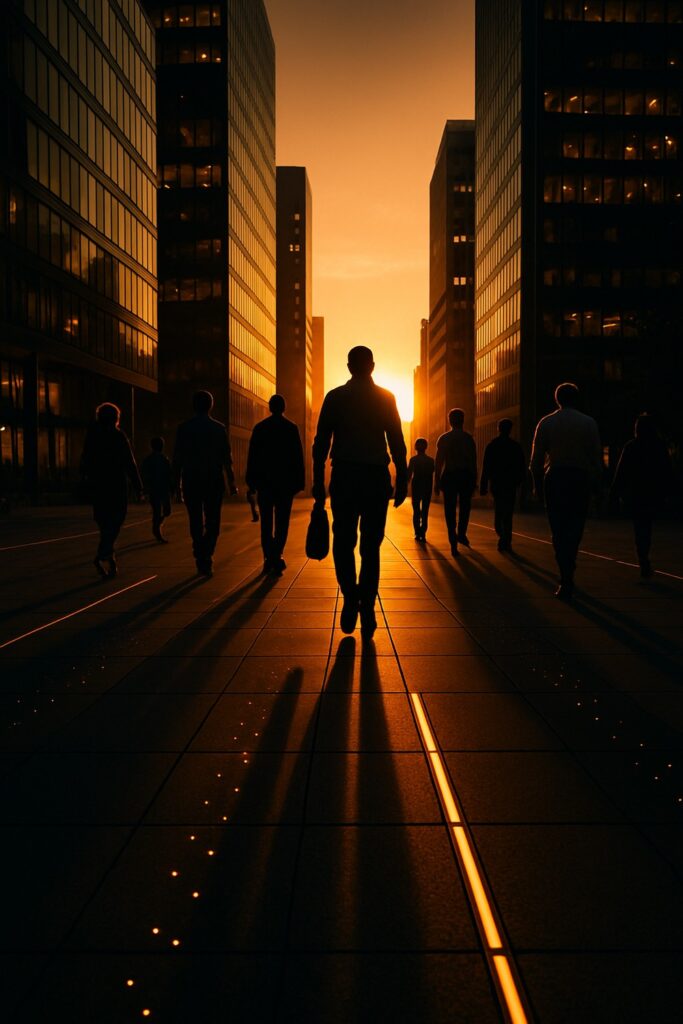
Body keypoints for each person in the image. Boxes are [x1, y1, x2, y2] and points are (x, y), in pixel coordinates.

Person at [312, 345, 407, 638]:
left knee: (343, 541)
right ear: (373, 366)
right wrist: (403, 478)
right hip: (375, 477)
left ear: (349, 366)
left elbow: (321, 442)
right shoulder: (385, 398)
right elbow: (397, 440)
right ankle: (367, 605)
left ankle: (351, 596)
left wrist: (317, 480)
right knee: (370, 546)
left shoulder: (335, 397)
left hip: (345, 475)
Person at [530, 382, 603, 600]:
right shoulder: (588, 423)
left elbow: (536, 461)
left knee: (558, 528)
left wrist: (536, 486)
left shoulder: (546, 422)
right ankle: (570, 562)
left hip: (556, 477)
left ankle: (565, 573)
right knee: (576, 525)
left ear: (557, 399)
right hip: (579, 478)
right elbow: (596, 457)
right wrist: (598, 485)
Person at [172, 390, 237, 577]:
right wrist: (231, 482)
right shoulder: (219, 429)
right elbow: (227, 459)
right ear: (210, 406)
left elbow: (177, 459)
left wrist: (176, 485)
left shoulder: (184, 429)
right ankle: (206, 553)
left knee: (195, 520)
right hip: (213, 480)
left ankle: (199, 550)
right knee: (213, 521)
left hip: (191, 480)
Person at [80, 402, 142, 578]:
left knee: (104, 522)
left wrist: (85, 479)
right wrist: (138, 486)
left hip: (98, 485)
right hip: (116, 484)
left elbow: (85, 460)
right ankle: (104, 553)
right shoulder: (118, 436)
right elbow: (130, 462)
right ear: (116, 418)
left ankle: (109, 556)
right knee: (116, 520)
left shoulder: (92, 436)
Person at [246, 394, 305, 575]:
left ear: (270, 407)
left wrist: (251, 481)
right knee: (282, 522)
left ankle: (268, 557)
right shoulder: (291, 428)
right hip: (285, 484)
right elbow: (298, 457)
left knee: (266, 523)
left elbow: (253, 457)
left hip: (265, 483)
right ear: (283, 408)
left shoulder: (260, 428)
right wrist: (299, 482)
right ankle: (277, 554)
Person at [611, 413, 674, 579]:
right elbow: (667, 470)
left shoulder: (631, 446)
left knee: (640, 528)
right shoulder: (659, 446)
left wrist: (615, 493)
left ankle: (643, 559)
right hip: (653, 492)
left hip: (635, 493)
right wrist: (669, 492)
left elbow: (621, 472)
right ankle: (645, 558)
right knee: (647, 526)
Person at [434, 408, 477, 557]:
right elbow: (473, 461)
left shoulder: (444, 438)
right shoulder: (468, 439)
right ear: (463, 420)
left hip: (450, 476)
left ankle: (452, 539)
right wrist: (474, 479)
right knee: (465, 507)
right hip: (465, 476)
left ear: (450, 421)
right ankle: (461, 532)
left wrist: (436, 481)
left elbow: (439, 462)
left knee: (449, 509)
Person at [480, 418, 526, 552]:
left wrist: (483, 484)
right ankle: (506, 539)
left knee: (499, 510)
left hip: (497, 483)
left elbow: (486, 467)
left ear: (498, 429)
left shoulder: (492, 445)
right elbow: (521, 466)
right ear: (510, 429)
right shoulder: (515, 446)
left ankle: (502, 536)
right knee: (508, 512)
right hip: (510, 483)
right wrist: (521, 482)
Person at [141, 437, 174, 543]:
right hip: (159, 489)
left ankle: (157, 525)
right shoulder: (163, 459)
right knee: (161, 511)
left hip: (159, 489)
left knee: (162, 511)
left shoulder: (156, 459)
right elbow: (169, 475)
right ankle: (157, 530)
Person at [407, 438, 434, 541]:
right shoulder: (430, 461)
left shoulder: (413, 460)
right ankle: (423, 532)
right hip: (427, 486)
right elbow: (432, 472)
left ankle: (417, 532)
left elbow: (409, 475)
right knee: (425, 511)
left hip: (416, 486)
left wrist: (404, 485)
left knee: (416, 510)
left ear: (415, 447)